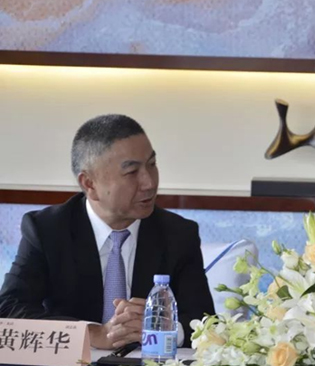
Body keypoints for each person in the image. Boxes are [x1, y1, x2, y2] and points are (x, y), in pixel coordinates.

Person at [0, 114, 215, 349]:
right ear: (89, 184)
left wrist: (162, 327)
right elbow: (9, 309)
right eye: (132, 172)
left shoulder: (178, 234)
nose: (149, 183)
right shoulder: (47, 230)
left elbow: (206, 323)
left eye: (152, 164)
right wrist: (92, 334)